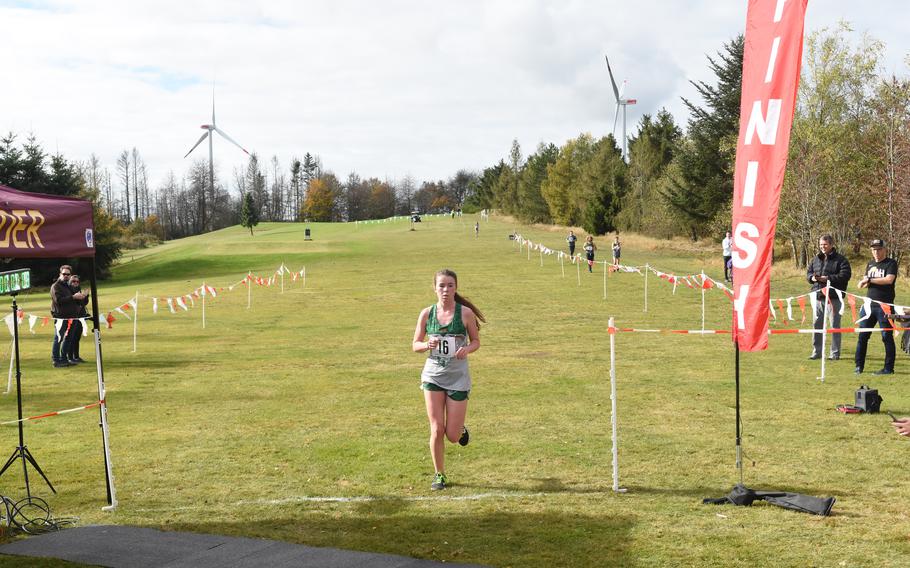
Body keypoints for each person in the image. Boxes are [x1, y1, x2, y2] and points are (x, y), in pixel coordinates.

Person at [412, 269, 485, 491]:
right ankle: (439, 475)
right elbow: (415, 344)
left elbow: (476, 341)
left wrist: (467, 350)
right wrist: (426, 345)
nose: (446, 290)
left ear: (456, 288)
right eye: (442, 286)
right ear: (434, 288)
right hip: (433, 376)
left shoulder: (465, 314)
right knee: (436, 428)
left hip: (458, 378)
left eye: (450, 285)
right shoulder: (426, 314)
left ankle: (461, 430)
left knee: (452, 435)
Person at [854, 238, 898, 375]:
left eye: (879, 249)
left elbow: (889, 279)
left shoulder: (891, 263)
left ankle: (888, 368)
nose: (876, 252)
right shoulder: (870, 263)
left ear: (885, 249)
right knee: (863, 336)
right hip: (868, 306)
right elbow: (865, 280)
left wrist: (870, 280)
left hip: (884, 306)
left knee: (886, 336)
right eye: (873, 249)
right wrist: (862, 282)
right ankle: (858, 366)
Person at [806, 235, 852, 361]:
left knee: (835, 326)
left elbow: (845, 275)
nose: (822, 247)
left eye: (825, 244)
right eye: (821, 245)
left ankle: (835, 353)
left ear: (831, 244)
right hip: (818, 297)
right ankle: (817, 352)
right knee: (817, 326)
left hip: (834, 298)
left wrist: (828, 278)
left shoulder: (841, 260)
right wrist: (813, 278)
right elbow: (808, 273)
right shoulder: (815, 259)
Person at [50, 265, 86, 368]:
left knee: (69, 339)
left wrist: (81, 297)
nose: (66, 276)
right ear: (60, 274)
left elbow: (76, 300)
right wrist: (73, 297)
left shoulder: (69, 286)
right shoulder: (55, 286)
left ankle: (64, 359)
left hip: (72, 317)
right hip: (61, 317)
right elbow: (58, 300)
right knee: (58, 338)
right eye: (64, 274)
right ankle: (56, 360)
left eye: (68, 274)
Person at [64, 274, 90, 364]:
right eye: (73, 281)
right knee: (71, 338)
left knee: (77, 338)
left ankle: (76, 356)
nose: (75, 283)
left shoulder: (78, 289)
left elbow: (83, 303)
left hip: (80, 317)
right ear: (69, 282)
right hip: (72, 317)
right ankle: (70, 357)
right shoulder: (68, 291)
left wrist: (86, 296)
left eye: (77, 281)